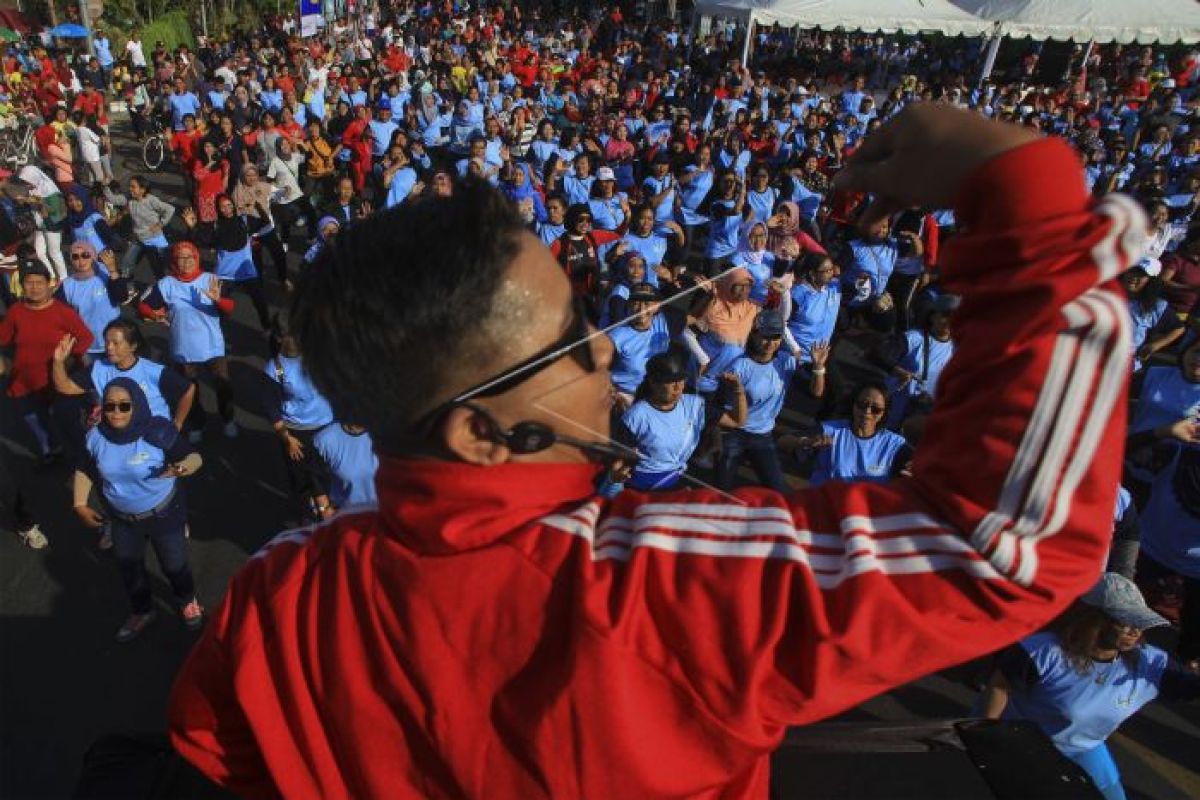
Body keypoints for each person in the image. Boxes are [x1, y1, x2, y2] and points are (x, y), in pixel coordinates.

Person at [170, 105, 1144, 799]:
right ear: (475, 429)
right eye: (570, 334)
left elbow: (214, 751)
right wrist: (1025, 191)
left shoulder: (277, 590)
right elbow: (1011, 546)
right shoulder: (652, 579)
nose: (604, 348)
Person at [981, 574, 1200, 800]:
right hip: (1023, 741)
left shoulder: (1150, 663)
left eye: (1140, 622)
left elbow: (1192, 687)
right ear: (1092, 620)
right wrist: (987, 735)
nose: (1136, 631)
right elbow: (999, 686)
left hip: (1084, 747)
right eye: (1125, 622)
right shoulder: (1042, 652)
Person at [73, 379, 205, 642]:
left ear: (137, 404)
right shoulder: (95, 437)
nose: (116, 412)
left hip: (164, 514)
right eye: (110, 406)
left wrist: (182, 468)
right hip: (123, 520)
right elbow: (85, 468)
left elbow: (194, 457)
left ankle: (187, 599)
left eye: (124, 405)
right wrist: (79, 504)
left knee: (175, 565)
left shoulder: (156, 431)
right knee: (128, 568)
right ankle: (142, 611)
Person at [138, 241, 239, 441]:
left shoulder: (211, 279)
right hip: (183, 349)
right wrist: (156, 315)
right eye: (180, 258)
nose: (185, 262)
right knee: (189, 391)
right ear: (174, 261)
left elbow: (229, 308)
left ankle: (228, 420)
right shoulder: (166, 284)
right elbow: (143, 305)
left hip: (213, 347)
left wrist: (218, 300)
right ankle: (196, 424)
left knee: (223, 388)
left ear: (196, 258)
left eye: (189, 257)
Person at [0, 258, 94, 465]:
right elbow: (3, 337)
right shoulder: (16, 312)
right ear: (22, 285)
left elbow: (86, 337)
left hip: (57, 380)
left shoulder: (63, 312)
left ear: (49, 283)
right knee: (33, 419)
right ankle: (50, 450)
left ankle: (83, 460)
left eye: (39, 282)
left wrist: (68, 358)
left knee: (68, 422)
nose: (34, 288)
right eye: (29, 283)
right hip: (25, 381)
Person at [617, 350, 745, 491]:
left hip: (676, 477)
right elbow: (618, 462)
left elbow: (737, 421)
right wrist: (617, 476)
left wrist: (738, 390)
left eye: (681, 380)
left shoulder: (695, 406)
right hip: (644, 483)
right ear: (653, 382)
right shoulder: (635, 416)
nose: (678, 387)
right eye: (670, 381)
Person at [264, 315, 336, 523]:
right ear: (279, 338)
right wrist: (286, 437)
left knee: (326, 471)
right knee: (301, 476)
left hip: (326, 425)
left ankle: (325, 506)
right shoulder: (275, 368)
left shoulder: (318, 356)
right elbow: (270, 406)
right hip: (297, 432)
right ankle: (305, 512)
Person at [717, 311, 794, 493]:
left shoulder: (786, 362)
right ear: (754, 334)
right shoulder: (738, 366)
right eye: (765, 337)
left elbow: (815, 392)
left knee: (779, 490)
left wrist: (818, 368)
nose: (770, 343)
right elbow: (719, 403)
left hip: (763, 435)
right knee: (722, 491)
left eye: (776, 338)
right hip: (733, 434)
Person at [312, 422, 379, 512]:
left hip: (385, 513)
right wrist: (324, 509)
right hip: (347, 515)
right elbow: (314, 476)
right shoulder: (325, 439)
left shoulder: (387, 434)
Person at [120, 175, 175, 279]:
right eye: (129, 186)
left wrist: (161, 224)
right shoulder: (130, 200)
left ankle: (164, 288)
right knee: (126, 264)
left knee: (160, 268)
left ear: (142, 189)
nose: (129, 189)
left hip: (155, 239)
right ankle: (129, 288)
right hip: (139, 240)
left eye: (133, 187)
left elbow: (170, 209)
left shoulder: (151, 200)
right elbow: (115, 199)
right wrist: (105, 187)